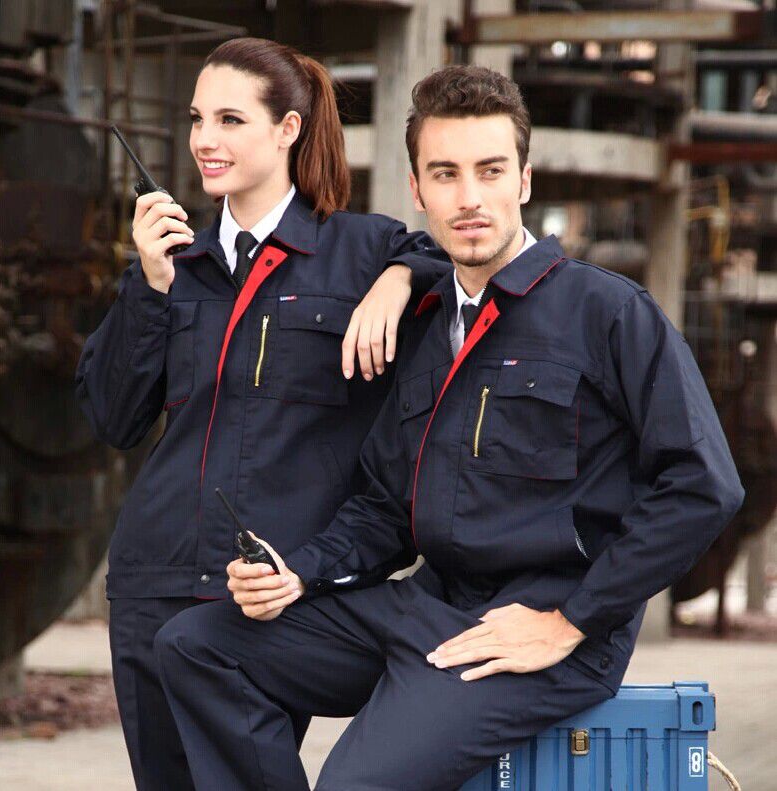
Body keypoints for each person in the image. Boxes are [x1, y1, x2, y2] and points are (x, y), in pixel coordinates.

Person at [154, 65, 744, 791]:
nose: (469, 198)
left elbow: (703, 485)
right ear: (417, 189)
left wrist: (571, 619)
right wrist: (300, 571)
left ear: (523, 180)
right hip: (428, 604)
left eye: (490, 171)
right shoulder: (429, 329)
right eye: (445, 174)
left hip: (540, 627)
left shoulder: (607, 312)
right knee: (198, 646)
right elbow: (384, 506)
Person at [75, 38, 447, 791]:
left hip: (268, 587)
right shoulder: (176, 263)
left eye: (230, 120)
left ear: (288, 129)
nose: (204, 140)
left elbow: (460, 269)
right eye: (197, 119)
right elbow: (112, 417)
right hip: (156, 576)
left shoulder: (363, 252)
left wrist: (402, 277)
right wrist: (149, 286)